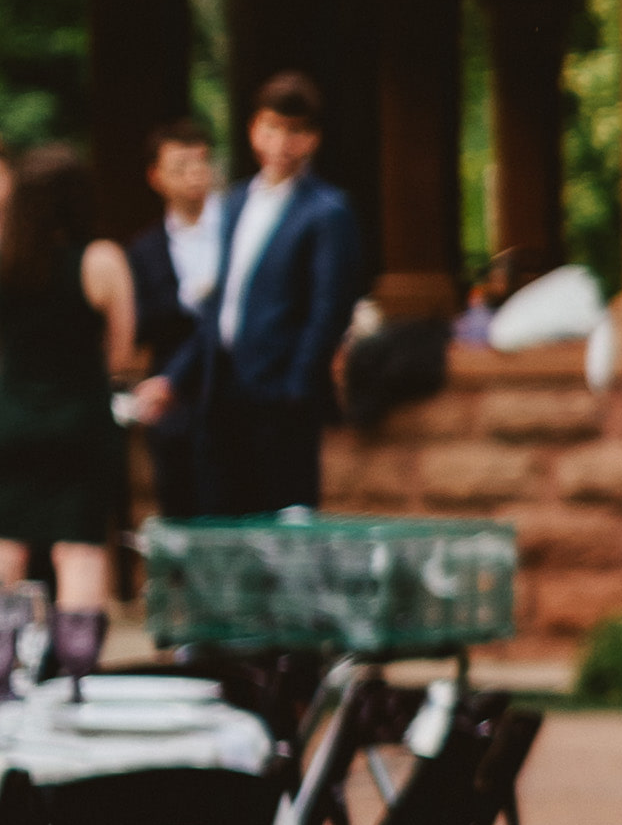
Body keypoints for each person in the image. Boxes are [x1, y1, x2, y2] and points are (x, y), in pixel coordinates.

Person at [148, 74, 365, 517]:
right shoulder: (235, 200)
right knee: (223, 513)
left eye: (294, 131)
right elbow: (222, 303)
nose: (280, 142)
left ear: (312, 139)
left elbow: (329, 308)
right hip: (221, 386)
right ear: (253, 130)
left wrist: (296, 386)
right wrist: (176, 377)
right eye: (270, 128)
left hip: (280, 391)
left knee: (282, 521)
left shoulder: (327, 209)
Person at [0, 144, 140, 609]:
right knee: (78, 550)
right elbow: (121, 354)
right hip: (80, 423)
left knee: (7, 544)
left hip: (12, 421)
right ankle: (76, 673)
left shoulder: (4, 257)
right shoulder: (100, 260)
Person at [125, 124, 221, 518]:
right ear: (156, 177)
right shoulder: (143, 250)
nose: (195, 174)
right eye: (180, 166)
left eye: (201, 163)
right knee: (178, 506)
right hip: (173, 404)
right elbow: (141, 328)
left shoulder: (236, 231)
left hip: (229, 392)